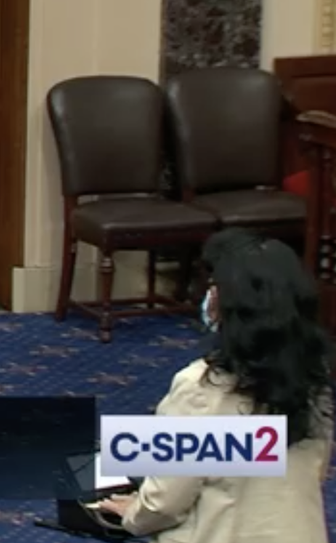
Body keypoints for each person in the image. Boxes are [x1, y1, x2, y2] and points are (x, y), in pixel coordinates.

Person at [99, 228, 333, 543]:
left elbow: (164, 503)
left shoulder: (202, 388)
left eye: (214, 286)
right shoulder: (314, 380)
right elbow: (310, 471)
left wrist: (133, 512)